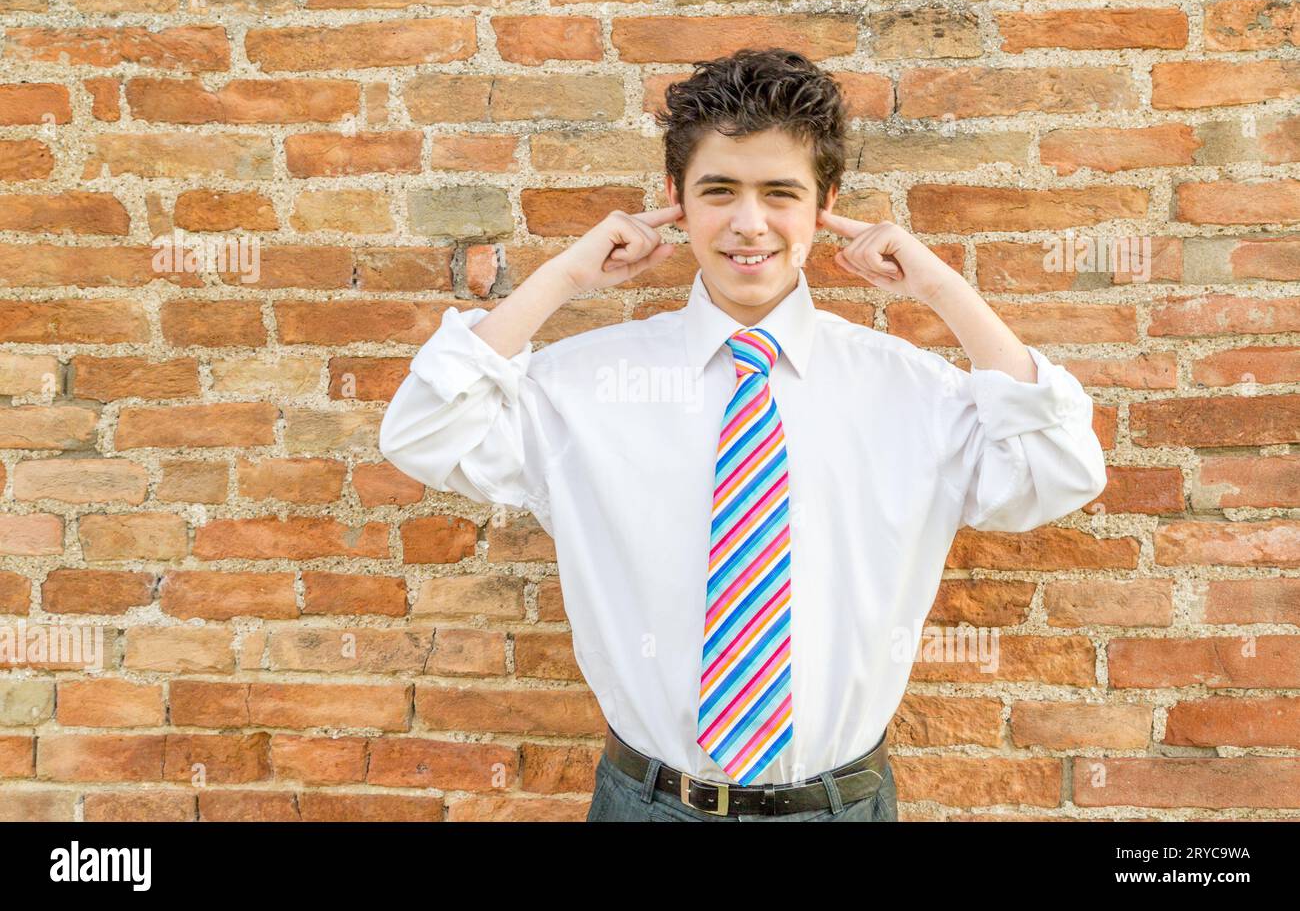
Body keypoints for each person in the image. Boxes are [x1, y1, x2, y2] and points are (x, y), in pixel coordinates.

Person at [379, 48, 1108, 822]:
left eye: (780, 193)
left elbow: (1057, 472)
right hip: (649, 804)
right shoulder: (581, 386)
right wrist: (560, 278)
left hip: (840, 806)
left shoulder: (915, 391)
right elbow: (423, 432)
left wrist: (941, 288)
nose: (748, 223)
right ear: (675, 200)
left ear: (826, 203)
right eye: (719, 190)